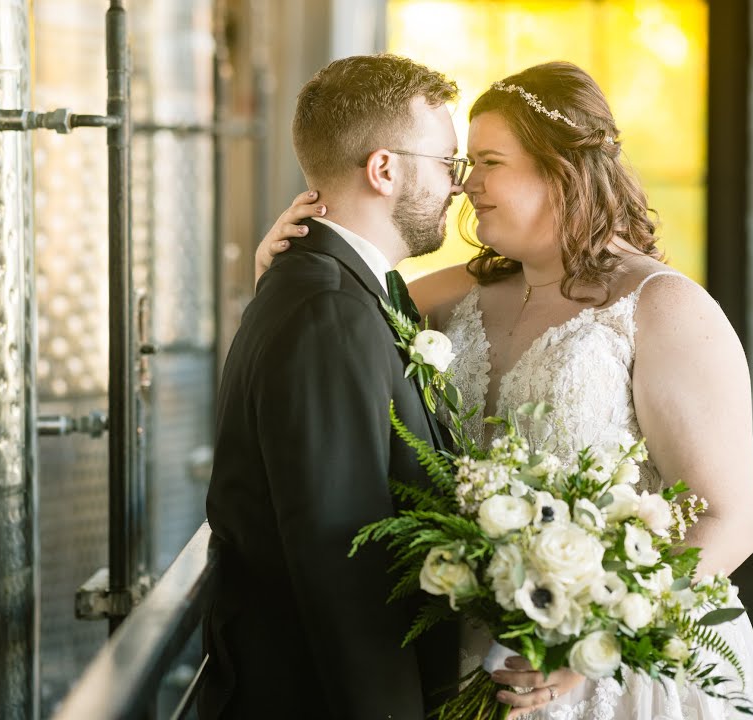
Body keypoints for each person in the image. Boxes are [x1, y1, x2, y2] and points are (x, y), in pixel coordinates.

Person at [253, 61, 753, 720]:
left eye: (488, 161)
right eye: (464, 161)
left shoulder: (664, 307)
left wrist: (593, 642)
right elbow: (330, 335)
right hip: (479, 656)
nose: (465, 183)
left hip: (619, 669)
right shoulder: (450, 297)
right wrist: (288, 265)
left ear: (561, 169)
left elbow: (729, 521)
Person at [199, 53, 468, 720]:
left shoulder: (342, 290)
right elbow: (345, 565)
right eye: (448, 164)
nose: (457, 187)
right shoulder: (326, 310)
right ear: (384, 170)